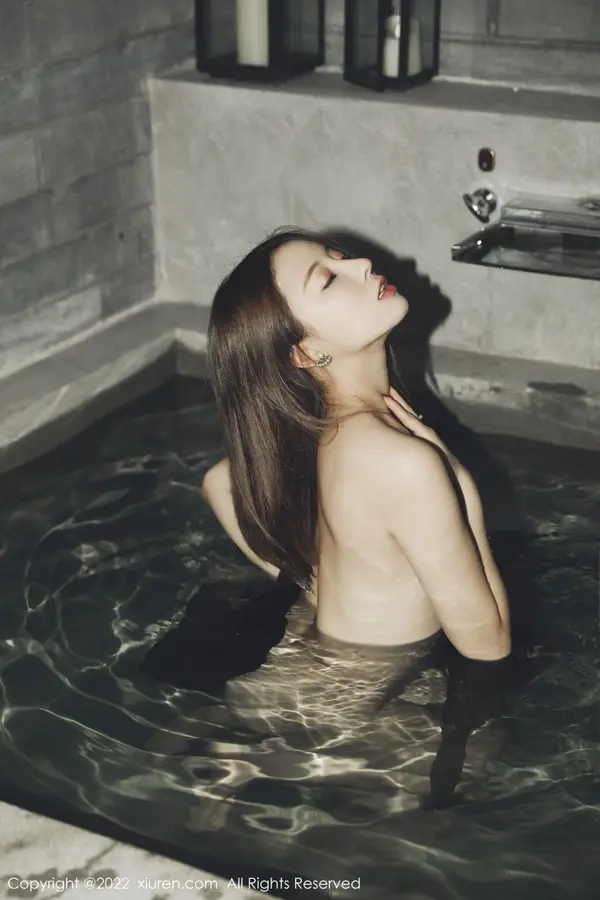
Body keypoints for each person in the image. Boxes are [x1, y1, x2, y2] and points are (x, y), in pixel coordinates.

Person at [141, 227, 513, 807]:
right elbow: (488, 644)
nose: (361, 265)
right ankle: (247, 761)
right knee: (483, 757)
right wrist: (462, 486)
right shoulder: (401, 459)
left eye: (341, 259)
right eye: (329, 279)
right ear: (305, 353)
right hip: (336, 709)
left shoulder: (325, 436)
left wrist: (313, 582)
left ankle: (227, 741)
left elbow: (222, 480)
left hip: (306, 676)